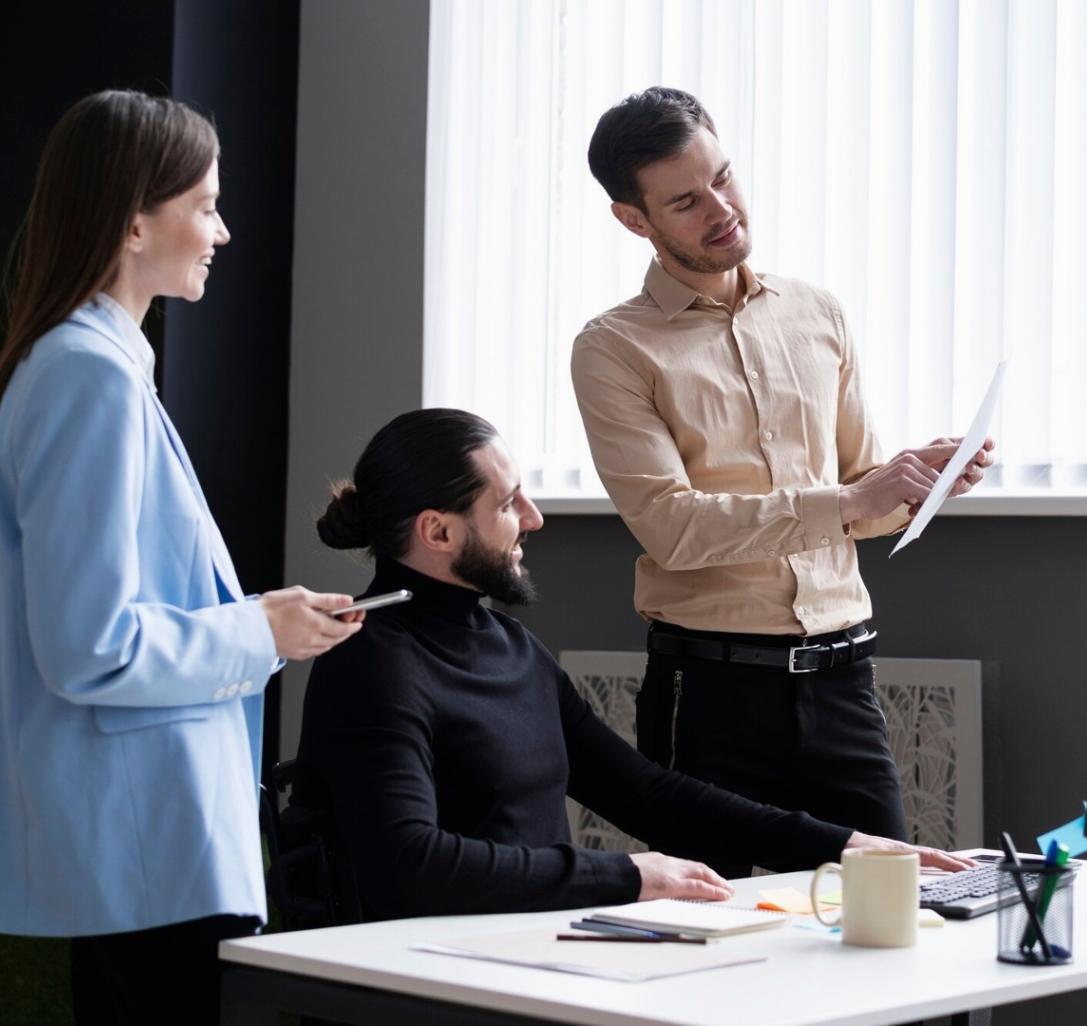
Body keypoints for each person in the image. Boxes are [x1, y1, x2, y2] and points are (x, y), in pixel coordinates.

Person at [0, 90, 363, 1025]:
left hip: (150, 841)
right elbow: (90, 646)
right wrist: (258, 631)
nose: (223, 230)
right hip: (147, 844)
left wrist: (260, 621)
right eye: (203, 205)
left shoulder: (91, 366)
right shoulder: (87, 375)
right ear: (131, 222)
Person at [291, 409, 971, 924]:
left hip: (532, 946)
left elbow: (646, 792)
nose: (533, 519)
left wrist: (848, 843)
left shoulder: (510, 647)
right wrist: (628, 876)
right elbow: (408, 866)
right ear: (437, 532)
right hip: (432, 969)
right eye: (506, 503)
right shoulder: (368, 661)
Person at [570, 87, 994, 878]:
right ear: (636, 221)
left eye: (724, 178)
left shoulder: (816, 313)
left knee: (887, 916)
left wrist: (915, 484)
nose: (722, 209)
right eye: (687, 202)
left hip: (844, 683)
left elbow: (858, 501)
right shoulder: (613, 349)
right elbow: (671, 527)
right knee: (714, 940)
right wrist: (853, 500)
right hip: (709, 694)